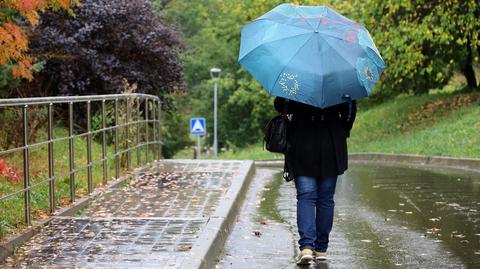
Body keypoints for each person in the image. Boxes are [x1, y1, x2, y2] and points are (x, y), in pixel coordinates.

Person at [274, 97, 356, 265]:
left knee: (306, 196)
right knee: (325, 198)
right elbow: (349, 111)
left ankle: (306, 247)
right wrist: (341, 130)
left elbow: (281, 106)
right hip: (331, 140)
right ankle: (321, 250)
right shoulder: (339, 79)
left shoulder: (297, 77)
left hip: (302, 139)